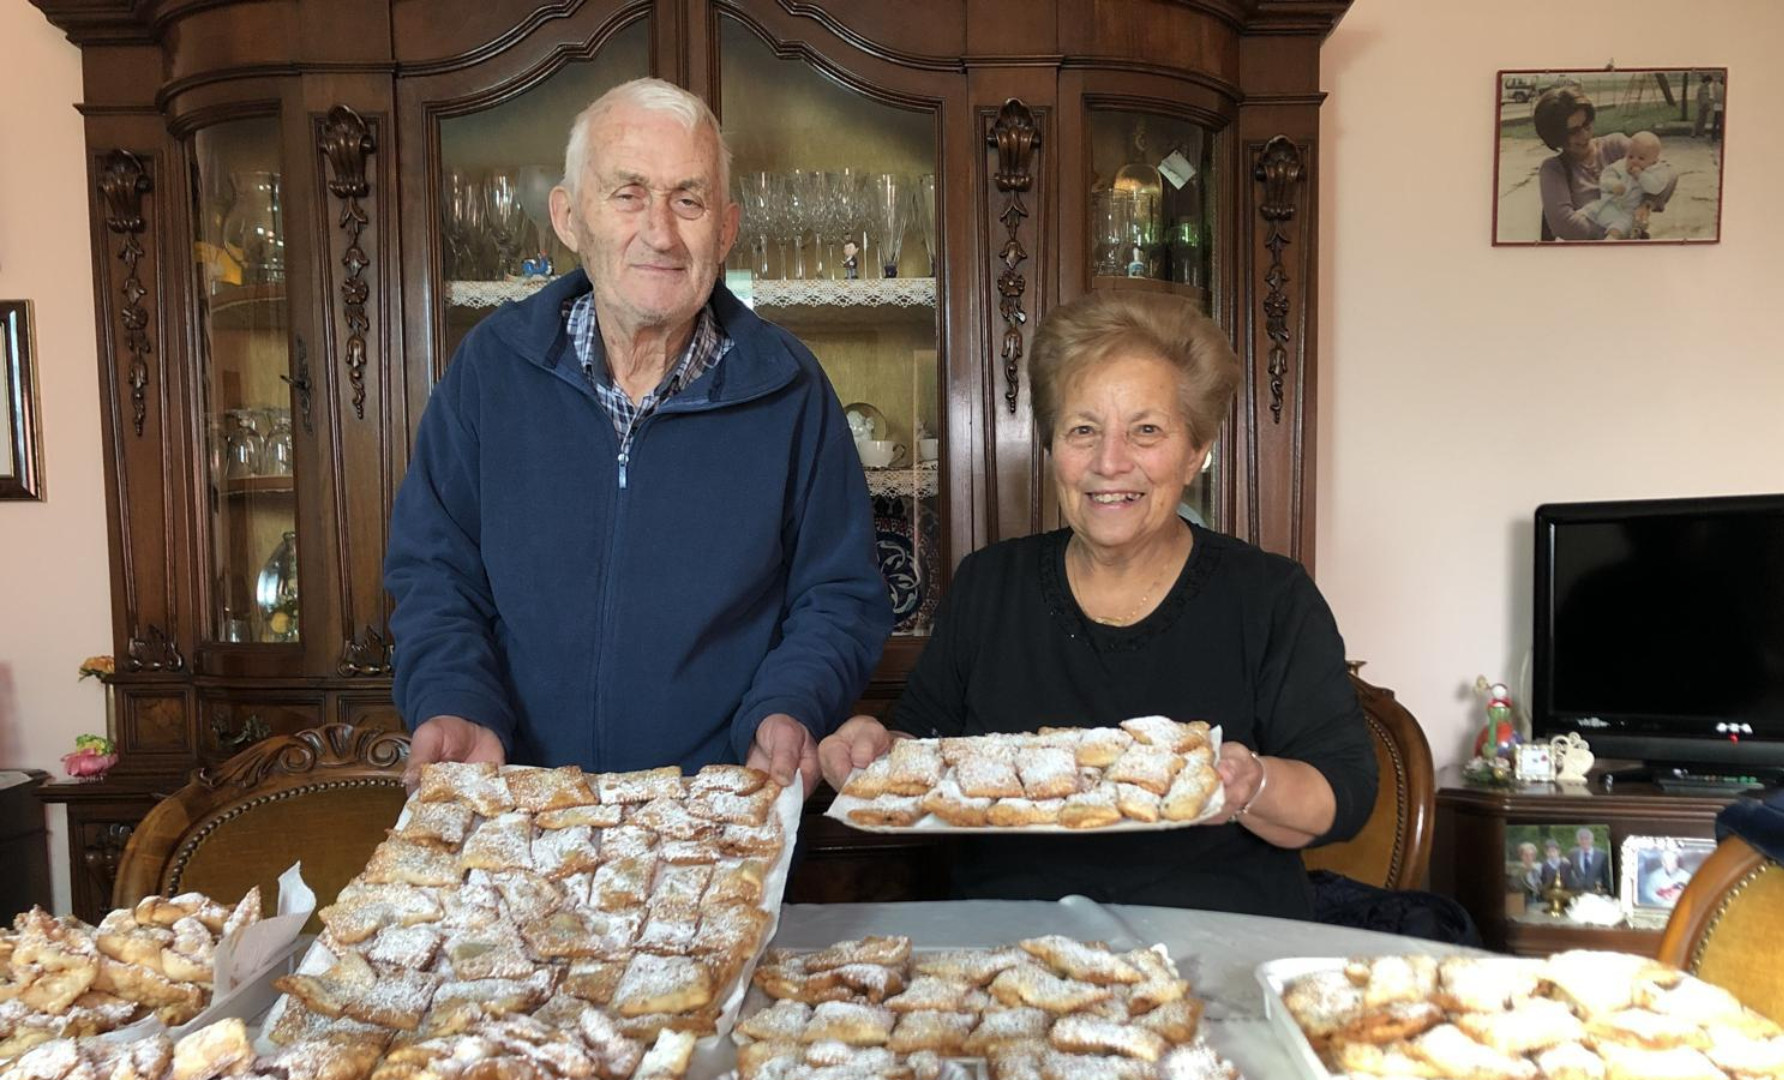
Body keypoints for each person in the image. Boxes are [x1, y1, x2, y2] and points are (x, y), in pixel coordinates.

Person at [384, 79, 893, 790]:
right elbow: (436, 575)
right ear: (568, 217)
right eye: (627, 193)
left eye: (689, 199)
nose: (659, 231)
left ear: (726, 228)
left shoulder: (791, 388)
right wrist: (457, 702)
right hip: (524, 812)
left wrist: (790, 706)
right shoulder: (491, 370)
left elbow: (837, 595)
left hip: (718, 819)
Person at [817, 290, 1378, 919]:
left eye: (1146, 431)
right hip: (1010, 948)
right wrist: (874, 745)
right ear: (1053, 449)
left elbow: (1343, 792)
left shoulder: (1269, 597)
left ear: (1195, 451)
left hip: (1216, 943)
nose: (1110, 463)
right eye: (1084, 430)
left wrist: (1253, 784)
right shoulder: (990, 585)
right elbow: (920, 739)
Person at [1533, 87, 1676, 242]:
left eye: (1586, 124)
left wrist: (1647, 204)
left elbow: (1668, 172)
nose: (1585, 135)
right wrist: (1617, 233)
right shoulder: (1554, 169)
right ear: (1556, 137)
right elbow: (1564, 224)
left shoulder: (1615, 146)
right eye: (1573, 131)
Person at [1582, 131, 1674, 240]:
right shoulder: (1622, 164)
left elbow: (1655, 188)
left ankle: (1611, 240)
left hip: (1631, 210)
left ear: (1654, 160)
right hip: (1612, 202)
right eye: (1630, 156)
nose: (1634, 161)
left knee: (1622, 225)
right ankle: (1582, 218)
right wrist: (1614, 184)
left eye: (1641, 158)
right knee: (1592, 209)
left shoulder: (1656, 171)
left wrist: (1641, 176)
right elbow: (1608, 174)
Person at [1568, 827, 1613, 894]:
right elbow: (1568, 872)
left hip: (1597, 893)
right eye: (1581, 839)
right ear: (1578, 841)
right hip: (1578, 893)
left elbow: (1606, 877)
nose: (1584, 841)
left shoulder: (1602, 855)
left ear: (1592, 840)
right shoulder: (1573, 854)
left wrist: (1609, 892)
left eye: (1587, 838)